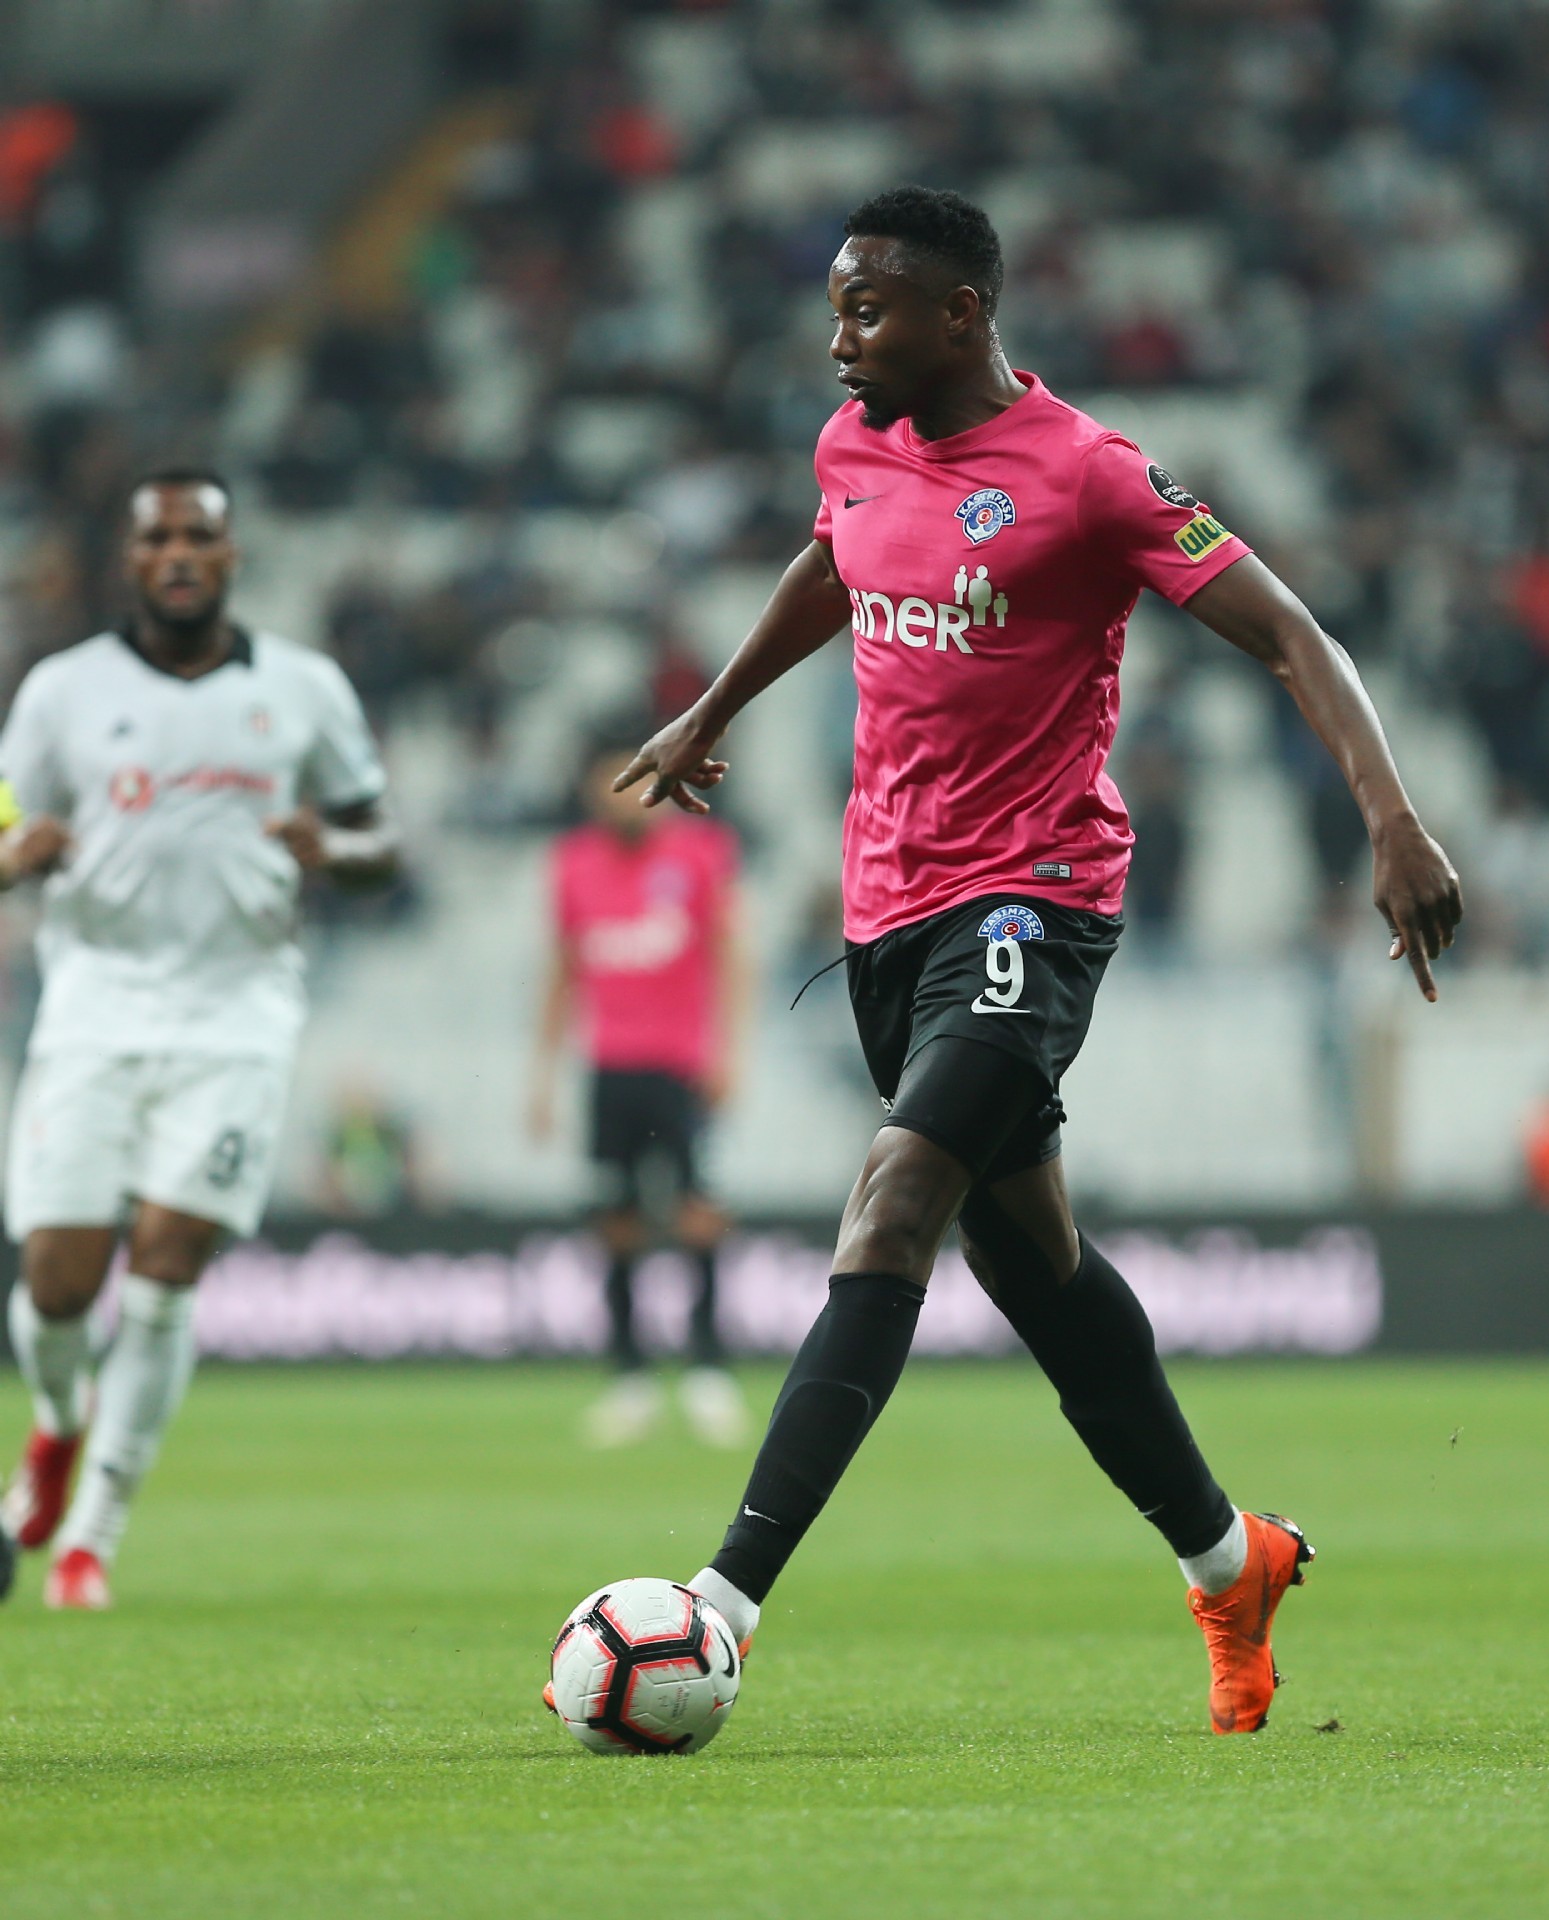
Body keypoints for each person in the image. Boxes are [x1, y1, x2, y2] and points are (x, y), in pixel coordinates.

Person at [605, 189, 1462, 1736]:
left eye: (868, 309)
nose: (839, 337)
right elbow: (835, 563)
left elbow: (1292, 634)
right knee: (1033, 1266)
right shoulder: (855, 444)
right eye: (836, 307)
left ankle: (718, 1604)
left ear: (962, 315)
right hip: (885, 917)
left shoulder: (1089, 474)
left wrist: (1390, 819)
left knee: (897, 1197)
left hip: (1032, 901)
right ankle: (1232, 1560)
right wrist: (712, 709)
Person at [0, 468, 397, 1610]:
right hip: (93, 1007)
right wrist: (17, 854)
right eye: (158, 537)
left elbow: (382, 841)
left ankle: (95, 1531)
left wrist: (335, 850)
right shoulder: (62, 690)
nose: (178, 553)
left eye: (198, 537)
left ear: (232, 557)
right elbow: (5, 819)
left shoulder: (303, 689)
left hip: (238, 1012)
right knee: (57, 1281)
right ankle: (58, 1421)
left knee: (167, 1266)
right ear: (129, 559)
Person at [529, 732, 748, 1448]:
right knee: (615, 1222)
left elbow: (731, 955)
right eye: (608, 787)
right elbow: (562, 970)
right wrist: (542, 1075)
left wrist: (728, 1052)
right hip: (609, 1067)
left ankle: (709, 1372)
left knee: (696, 1213)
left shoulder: (701, 854)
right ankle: (630, 1378)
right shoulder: (572, 863)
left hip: (680, 1065)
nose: (619, 800)